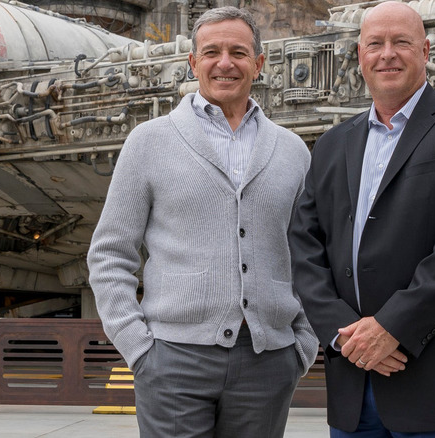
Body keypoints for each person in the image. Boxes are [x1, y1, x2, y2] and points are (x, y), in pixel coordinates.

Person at [87, 6, 318, 438]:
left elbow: (309, 255)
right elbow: (110, 253)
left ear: (259, 64)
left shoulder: (292, 151)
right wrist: (139, 349)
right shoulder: (149, 142)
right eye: (211, 51)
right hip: (172, 360)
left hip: (268, 362)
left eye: (238, 52)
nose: (225, 62)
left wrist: (302, 345)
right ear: (193, 62)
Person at [289, 2, 435, 437]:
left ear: (425, 50)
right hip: (354, 377)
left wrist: (393, 327)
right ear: (359, 56)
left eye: (401, 42)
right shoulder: (332, 144)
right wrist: (343, 335)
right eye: (375, 43)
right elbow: (304, 245)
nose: (387, 53)